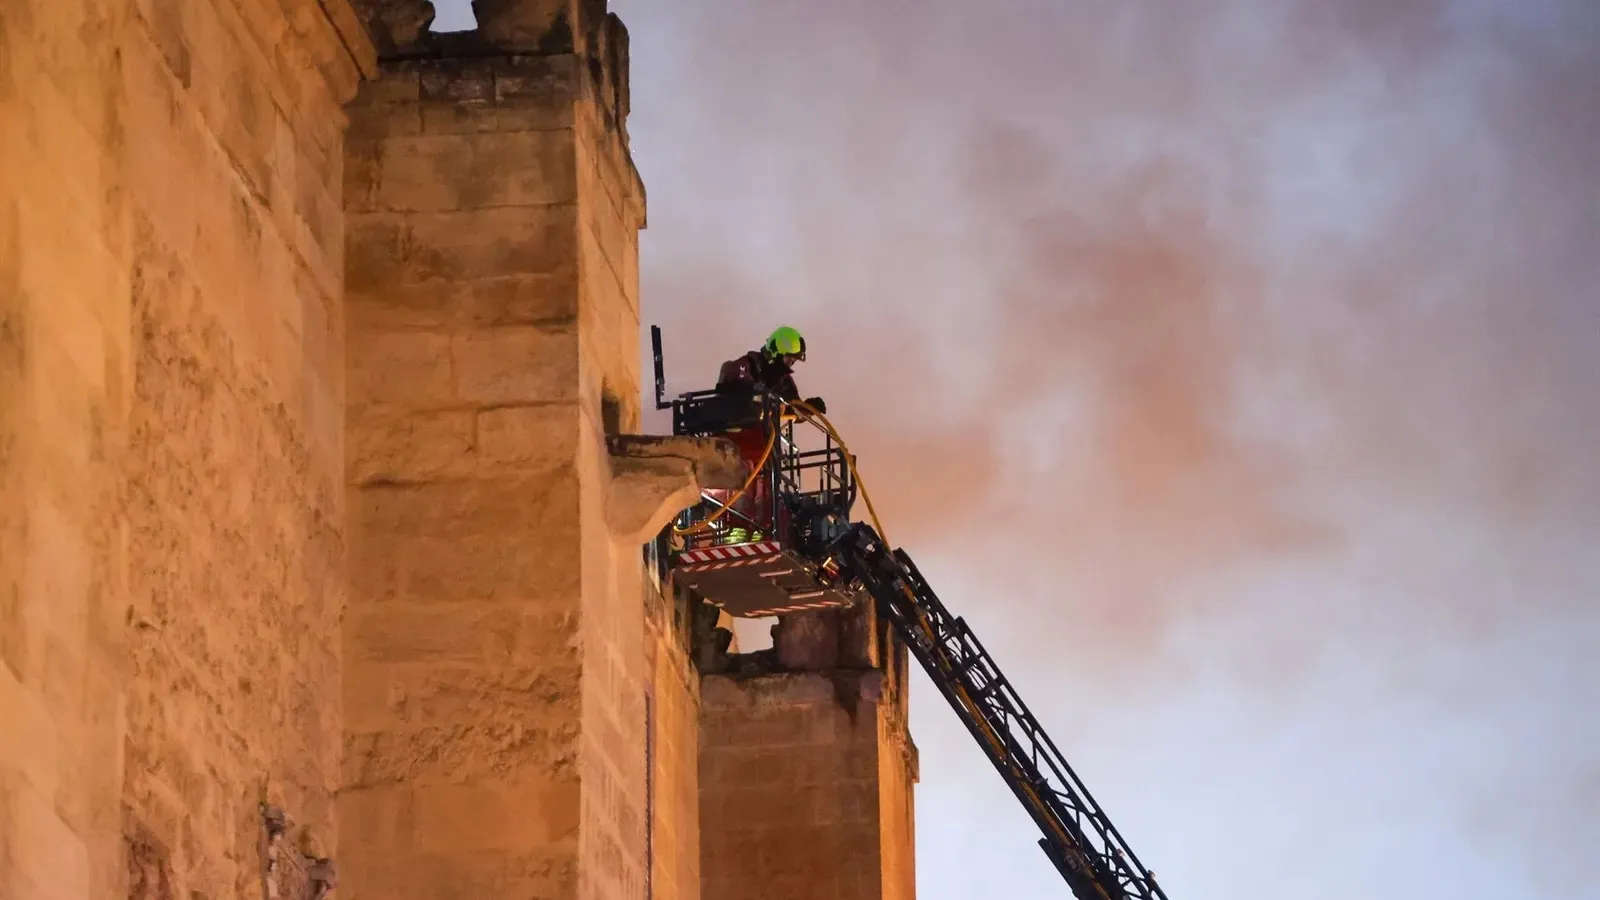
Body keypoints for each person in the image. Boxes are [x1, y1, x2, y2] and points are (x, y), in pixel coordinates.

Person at [709, 327, 826, 543]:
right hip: (735, 439)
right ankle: (737, 528)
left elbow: (791, 409)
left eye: (793, 360)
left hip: (762, 444)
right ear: (775, 351)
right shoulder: (743, 367)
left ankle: (760, 528)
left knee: (766, 482)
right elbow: (734, 397)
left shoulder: (783, 381)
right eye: (788, 358)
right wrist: (761, 401)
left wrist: (808, 408)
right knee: (745, 476)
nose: (790, 364)